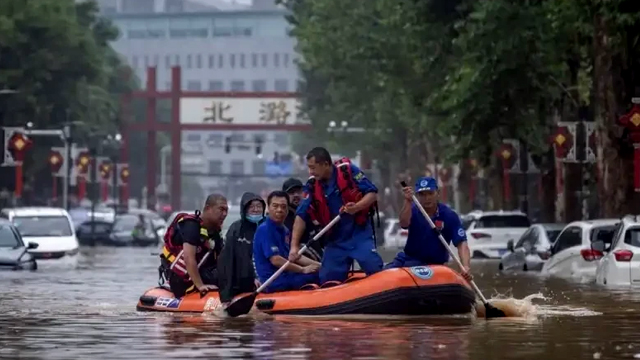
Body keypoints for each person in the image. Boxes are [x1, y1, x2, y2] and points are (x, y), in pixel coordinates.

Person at [289, 147, 383, 284]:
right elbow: (301, 215)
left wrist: (356, 207)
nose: (310, 172)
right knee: (327, 279)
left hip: (359, 234)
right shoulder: (312, 185)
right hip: (335, 240)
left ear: (326, 164)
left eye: (313, 168)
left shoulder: (348, 171)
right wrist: (294, 246)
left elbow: (372, 194)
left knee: (373, 266)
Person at [385, 177, 473, 282]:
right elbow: (404, 223)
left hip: (434, 266)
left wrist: (466, 266)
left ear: (438, 193)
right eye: (422, 195)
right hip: (409, 259)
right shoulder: (412, 209)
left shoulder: (449, 215)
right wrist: (407, 201)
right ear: (416, 196)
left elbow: (462, 243)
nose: (427, 198)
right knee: (383, 275)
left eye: (430, 193)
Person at [159, 194, 228, 298]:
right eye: (221, 209)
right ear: (207, 208)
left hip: (204, 271)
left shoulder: (215, 232)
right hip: (180, 279)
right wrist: (200, 286)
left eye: (226, 210)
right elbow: (189, 258)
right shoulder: (191, 226)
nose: (224, 214)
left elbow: (221, 259)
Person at [254, 191, 321, 292]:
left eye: (283, 207)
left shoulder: (285, 230)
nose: (279, 210)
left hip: (286, 275)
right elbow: (276, 260)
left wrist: (320, 265)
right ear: (268, 208)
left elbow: (295, 256)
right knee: (316, 276)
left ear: (287, 210)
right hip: (273, 281)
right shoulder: (264, 229)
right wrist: (302, 269)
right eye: (275, 206)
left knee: (321, 271)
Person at [217, 192, 265, 303]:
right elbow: (229, 260)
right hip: (243, 280)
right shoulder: (236, 229)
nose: (256, 210)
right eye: (252, 207)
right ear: (244, 209)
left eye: (259, 206)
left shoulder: (267, 226)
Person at [282, 178, 323, 262]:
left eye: (299, 191)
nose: (296, 195)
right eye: (292, 192)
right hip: (301, 263)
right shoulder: (283, 218)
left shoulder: (312, 212)